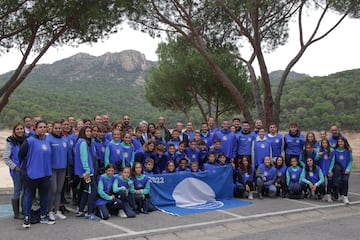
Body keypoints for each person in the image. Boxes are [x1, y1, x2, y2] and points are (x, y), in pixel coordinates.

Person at [18, 120, 54, 228]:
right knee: (28, 195)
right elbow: (21, 155)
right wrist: (25, 169)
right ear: (36, 128)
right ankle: (27, 217)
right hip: (31, 174)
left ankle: (43, 216)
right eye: (40, 127)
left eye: (44, 127)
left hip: (45, 174)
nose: (43, 129)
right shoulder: (29, 141)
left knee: (44, 196)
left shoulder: (47, 141)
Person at [74, 126, 99, 220]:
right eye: (87, 131)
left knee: (85, 190)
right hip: (86, 172)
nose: (89, 133)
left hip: (83, 171)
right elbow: (83, 157)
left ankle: (80, 210)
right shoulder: (83, 142)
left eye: (90, 131)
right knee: (93, 190)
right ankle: (89, 212)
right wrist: (87, 170)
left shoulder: (80, 141)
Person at [3, 122, 26, 219]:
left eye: (21, 128)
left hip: (26, 169)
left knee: (25, 191)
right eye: (18, 129)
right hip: (16, 171)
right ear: (14, 131)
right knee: (17, 190)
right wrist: (15, 167)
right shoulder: (10, 142)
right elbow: (6, 157)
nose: (20, 130)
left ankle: (24, 210)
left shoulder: (26, 140)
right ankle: (16, 214)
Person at [47, 121, 68, 221]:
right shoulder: (48, 139)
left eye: (59, 128)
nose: (57, 130)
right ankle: (49, 211)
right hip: (52, 169)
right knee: (53, 190)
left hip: (62, 168)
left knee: (59, 190)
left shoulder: (64, 140)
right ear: (52, 128)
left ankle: (57, 210)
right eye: (56, 128)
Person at [333, 137, 353, 204]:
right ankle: (341, 194)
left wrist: (348, 168)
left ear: (344, 142)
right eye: (339, 142)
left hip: (346, 169)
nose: (340, 143)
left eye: (342, 141)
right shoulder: (335, 151)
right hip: (338, 170)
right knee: (339, 182)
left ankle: (345, 196)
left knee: (345, 181)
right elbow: (333, 161)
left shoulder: (348, 151)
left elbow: (351, 160)